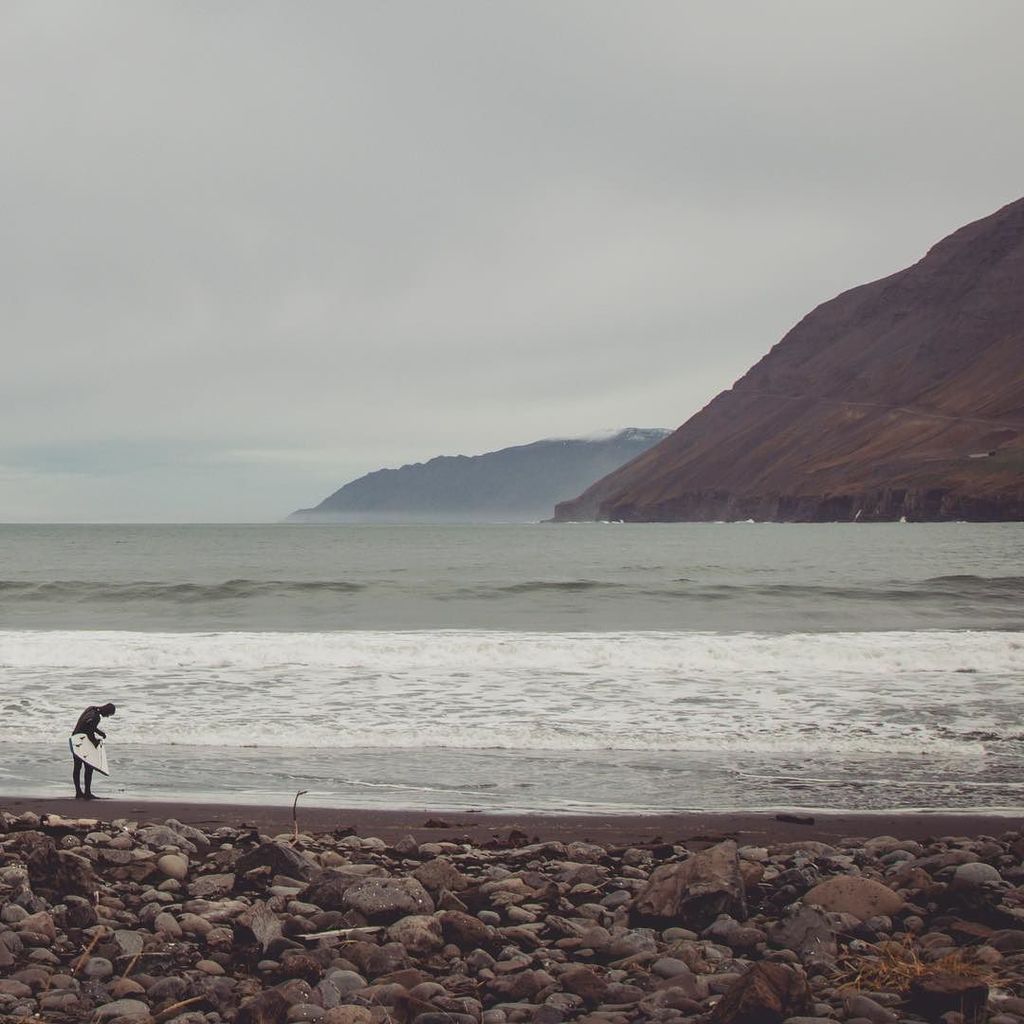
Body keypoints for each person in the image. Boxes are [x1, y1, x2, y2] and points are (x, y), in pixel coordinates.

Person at [70, 703, 116, 799]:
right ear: (106, 710)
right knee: (89, 768)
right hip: (83, 742)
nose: (107, 716)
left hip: (75, 739)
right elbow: (89, 731)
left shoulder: (91, 709)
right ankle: (87, 793)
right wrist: (95, 742)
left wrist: (99, 732)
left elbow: (88, 725)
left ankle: (78, 792)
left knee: (77, 767)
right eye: (108, 714)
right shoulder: (96, 717)